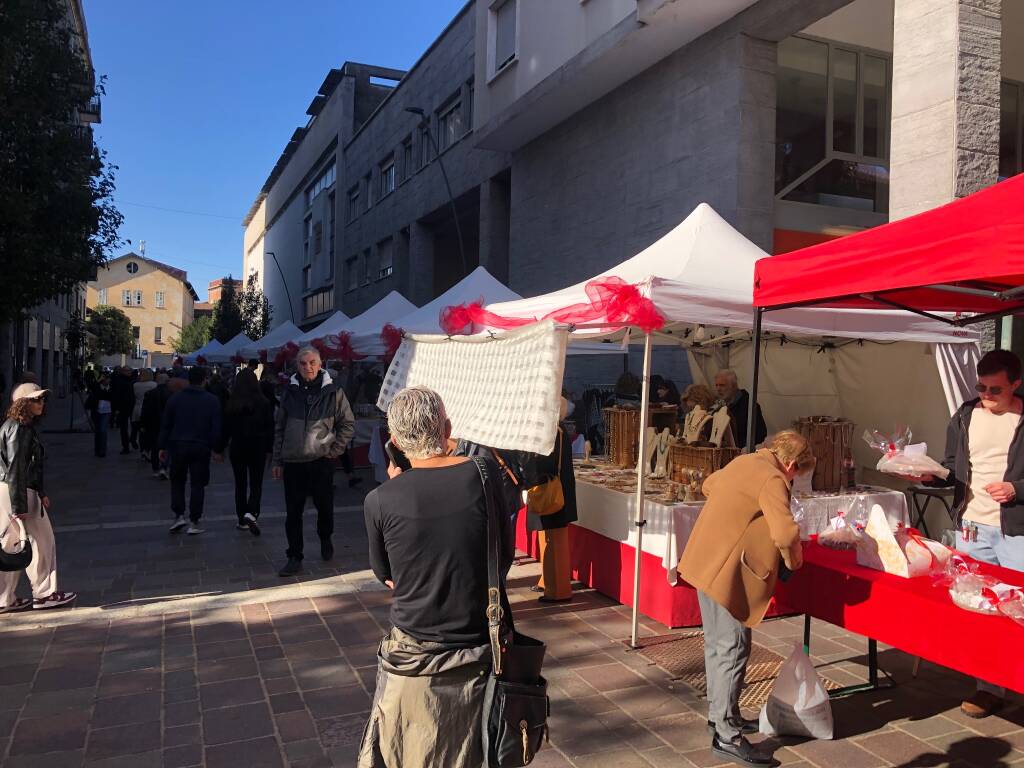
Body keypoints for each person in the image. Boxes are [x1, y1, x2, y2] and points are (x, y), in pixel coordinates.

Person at [358, 386, 511, 768]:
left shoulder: (380, 499)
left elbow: (387, 576)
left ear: (394, 441)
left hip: (414, 650)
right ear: (447, 429)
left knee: (410, 751)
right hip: (481, 642)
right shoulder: (485, 473)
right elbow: (502, 556)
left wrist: (398, 485)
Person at [678, 430, 813, 768]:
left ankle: (721, 714)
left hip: (703, 561)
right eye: (798, 473)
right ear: (792, 464)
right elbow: (785, 533)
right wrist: (795, 562)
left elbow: (710, 484)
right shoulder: (773, 478)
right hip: (725, 573)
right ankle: (726, 735)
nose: (794, 478)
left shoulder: (745, 462)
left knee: (717, 644)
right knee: (733, 647)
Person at [913, 349, 1024, 718]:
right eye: (981, 387)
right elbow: (951, 467)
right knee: (979, 608)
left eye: (996, 390)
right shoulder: (965, 415)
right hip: (973, 527)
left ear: (1016, 385)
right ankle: (988, 687)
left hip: (1017, 530)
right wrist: (928, 474)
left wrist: (1017, 490)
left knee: (1019, 610)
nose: (987, 396)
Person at [272, 346, 355, 576]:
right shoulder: (289, 391)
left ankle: (325, 537)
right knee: (293, 512)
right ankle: (294, 555)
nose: (308, 367)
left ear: (320, 364)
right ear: (296, 365)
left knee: (325, 507)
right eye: (303, 363)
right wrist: (277, 461)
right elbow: (279, 427)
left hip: (321, 461)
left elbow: (348, 424)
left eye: (312, 363)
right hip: (294, 462)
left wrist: (335, 449)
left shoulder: (333, 392)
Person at [0, 383, 77, 612]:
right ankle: (45, 594)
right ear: (23, 403)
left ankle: (4, 598)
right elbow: (17, 467)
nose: (41, 403)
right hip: (18, 491)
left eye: (42, 399)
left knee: (11, 546)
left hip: (10, 490)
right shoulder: (20, 429)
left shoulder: (14, 426)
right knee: (43, 543)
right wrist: (20, 504)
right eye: (36, 399)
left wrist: (39, 493)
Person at [523, 397, 578, 603]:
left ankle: (558, 590)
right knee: (548, 539)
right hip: (554, 489)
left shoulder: (553, 432)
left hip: (552, 490)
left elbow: (542, 463)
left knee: (554, 542)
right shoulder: (557, 431)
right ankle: (547, 581)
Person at [159, 366, 222, 535]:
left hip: (178, 444)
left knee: (177, 481)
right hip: (201, 446)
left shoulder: (175, 399)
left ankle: (179, 515)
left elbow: (166, 425)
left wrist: (162, 446)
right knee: (198, 484)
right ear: (204, 380)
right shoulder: (212, 400)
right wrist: (216, 448)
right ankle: (194, 520)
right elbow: (216, 428)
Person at [221, 369, 274, 536]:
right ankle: (252, 512)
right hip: (257, 446)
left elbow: (226, 429)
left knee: (240, 483)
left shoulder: (232, 403)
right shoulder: (264, 403)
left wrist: (218, 448)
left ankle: (241, 518)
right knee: (256, 482)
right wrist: (269, 449)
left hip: (238, 446)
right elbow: (270, 428)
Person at [714, 369, 767, 449]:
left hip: (742, 455)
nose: (718, 389)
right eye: (716, 385)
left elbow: (760, 435)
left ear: (734, 386)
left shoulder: (749, 406)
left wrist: (743, 449)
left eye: (722, 385)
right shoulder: (718, 406)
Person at [85, 373, 113, 457]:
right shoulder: (97, 387)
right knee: (97, 431)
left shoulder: (111, 388)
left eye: (107, 379)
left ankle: (102, 451)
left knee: (103, 430)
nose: (106, 381)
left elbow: (111, 397)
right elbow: (90, 387)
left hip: (107, 411)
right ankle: (97, 450)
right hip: (96, 411)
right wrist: (98, 381)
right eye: (104, 379)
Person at [111, 366, 135, 454]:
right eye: (127, 371)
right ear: (122, 372)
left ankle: (132, 440)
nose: (129, 372)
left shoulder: (133, 380)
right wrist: (116, 408)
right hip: (122, 407)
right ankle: (125, 446)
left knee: (134, 426)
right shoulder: (118, 381)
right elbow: (115, 395)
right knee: (123, 428)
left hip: (132, 405)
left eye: (130, 370)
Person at [131, 368, 157, 453]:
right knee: (147, 431)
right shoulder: (154, 385)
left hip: (137, 409)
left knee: (138, 429)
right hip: (148, 410)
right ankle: (145, 450)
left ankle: (135, 441)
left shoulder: (135, 385)